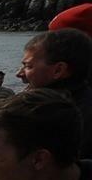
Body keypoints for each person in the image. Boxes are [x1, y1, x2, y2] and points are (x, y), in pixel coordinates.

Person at [16, 28, 92, 157]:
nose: (19, 74)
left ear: (58, 70)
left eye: (28, 66)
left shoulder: (50, 114)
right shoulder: (84, 101)